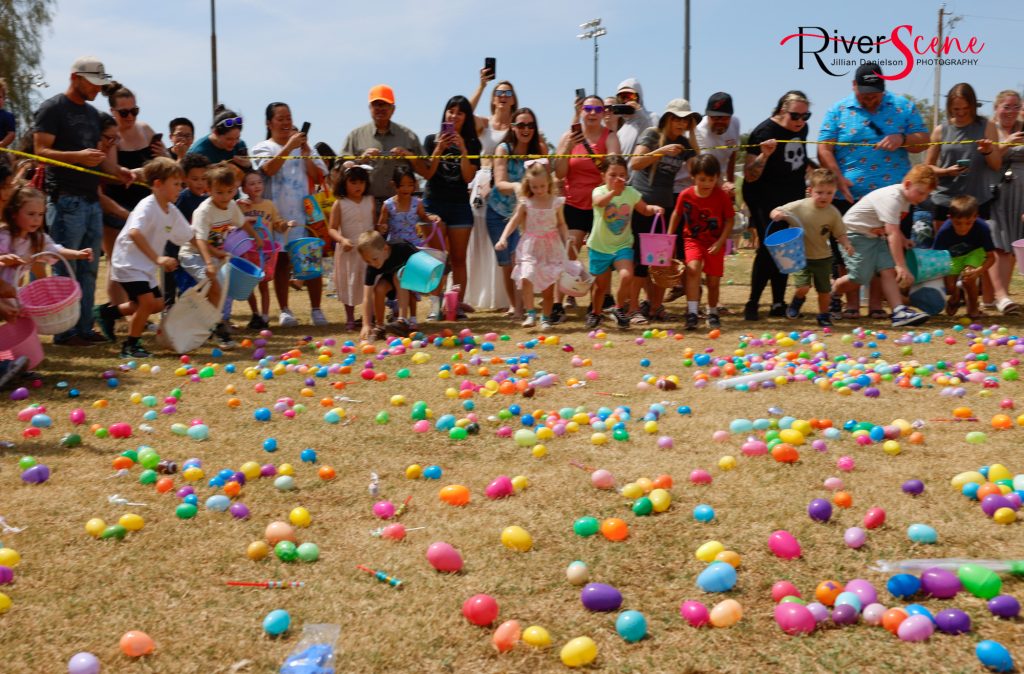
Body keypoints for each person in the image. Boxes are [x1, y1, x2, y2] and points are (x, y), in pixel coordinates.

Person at [33, 56, 132, 347]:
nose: (97, 89)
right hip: (65, 200)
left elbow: (96, 158)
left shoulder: (92, 114)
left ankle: (85, 328)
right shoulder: (52, 108)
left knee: (88, 268)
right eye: (93, 83)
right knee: (67, 267)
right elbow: (40, 151)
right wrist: (77, 157)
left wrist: (118, 171)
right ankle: (65, 332)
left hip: (91, 201)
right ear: (75, 78)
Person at [817, 62, 930, 318]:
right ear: (853, 86)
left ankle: (877, 306)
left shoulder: (903, 106)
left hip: (894, 199)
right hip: (849, 196)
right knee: (849, 255)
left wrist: (902, 139)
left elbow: (924, 140)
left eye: (875, 95)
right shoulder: (838, 110)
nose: (869, 99)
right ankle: (851, 305)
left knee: (886, 253)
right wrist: (837, 178)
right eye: (864, 94)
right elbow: (824, 148)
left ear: (884, 88)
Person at [924, 82, 1012, 315]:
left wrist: (987, 151)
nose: (961, 113)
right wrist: (946, 171)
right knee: (947, 256)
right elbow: (927, 167)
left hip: (977, 201)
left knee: (976, 256)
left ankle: (974, 303)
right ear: (949, 108)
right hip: (945, 201)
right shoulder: (941, 131)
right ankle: (953, 294)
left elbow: (996, 165)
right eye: (956, 110)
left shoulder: (986, 126)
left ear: (973, 105)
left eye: (965, 109)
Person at [94, 158, 195, 357]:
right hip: (128, 262)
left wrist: (211, 255)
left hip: (144, 266)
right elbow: (134, 232)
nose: (180, 188)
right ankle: (131, 346)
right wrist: (158, 259)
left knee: (157, 304)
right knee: (147, 303)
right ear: (158, 184)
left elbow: (189, 235)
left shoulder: (172, 210)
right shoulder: (147, 206)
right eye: (176, 184)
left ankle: (105, 313)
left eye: (181, 184)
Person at [251, 102, 328, 327]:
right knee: (282, 262)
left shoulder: (304, 147)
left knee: (311, 260)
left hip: (304, 215)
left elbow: (319, 175)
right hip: (276, 217)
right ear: (269, 123)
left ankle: (316, 309)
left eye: (289, 118)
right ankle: (285, 310)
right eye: (280, 118)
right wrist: (289, 147)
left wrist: (305, 154)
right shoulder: (262, 147)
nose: (286, 122)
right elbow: (267, 170)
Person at [831, 165, 936, 327]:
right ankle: (833, 292)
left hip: (875, 236)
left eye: (927, 195)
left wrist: (903, 239)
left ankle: (899, 312)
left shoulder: (907, 199)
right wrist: (901, 266)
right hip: (854, 235)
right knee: (860, 277)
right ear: (908, 184)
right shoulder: (893, 198)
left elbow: (892, 225)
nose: (923, 198)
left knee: (887, 270)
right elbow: (891, 233)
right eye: (921, 193)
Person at [741, 90, 812, 320]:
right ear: (782, 110)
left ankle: (778, 303)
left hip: (791, 196)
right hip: (763, 197)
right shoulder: (764, 132)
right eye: (795, 116)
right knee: (769, 248)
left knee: (786, 246)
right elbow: (750, 175)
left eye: (805, 116)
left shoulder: (802, 129)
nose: (800, 121)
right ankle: (752, 303)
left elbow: (800, 160)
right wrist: (764, 155)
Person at [628, 99, 700, 324]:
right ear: (668, 118)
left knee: (661, 261)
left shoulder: (684, 143)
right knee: (641, 261)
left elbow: (697, 170)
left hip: (666, 207)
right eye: (677, 118)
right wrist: (661, 151)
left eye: (686, 120)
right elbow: (634, 163)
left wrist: (692, 136)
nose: (681, 123)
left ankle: (655, 307)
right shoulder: (652, 134)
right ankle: (632, 309)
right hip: (643, 204)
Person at [554, 95, 622, 323]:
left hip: (600, 205)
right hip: (574, 204)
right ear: (580, 110)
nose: (592, 113)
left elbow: (613, 170)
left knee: (601, 254)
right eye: (588, 108)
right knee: (568, 251)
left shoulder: (610, 137)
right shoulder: (568, 136)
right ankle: (558, 305)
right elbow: (560, 173)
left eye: (597, 109)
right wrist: (568, 147)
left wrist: (596, 156)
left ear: (603, 113)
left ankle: (599, 304)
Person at [177, 163, 261, 347]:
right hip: (193, 254)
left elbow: (242, 222)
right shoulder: (204, 211)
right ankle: (216, 327)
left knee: (219, 290)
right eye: (219, 192)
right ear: (208, 190)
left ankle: (212, 326)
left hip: (213, 254)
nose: (225, 197)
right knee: (214, 287)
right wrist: (209, 262)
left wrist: (255, 237)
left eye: (230, 192)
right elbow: (199, 240)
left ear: (235, 189)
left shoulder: (231, 206)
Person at [101, 86, 167, 306]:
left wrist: (164, 156)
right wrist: (136, 173)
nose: (130, 116)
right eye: (124, 112)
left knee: (143, 261)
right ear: (112, 112)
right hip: (116, 206)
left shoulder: (146, 130)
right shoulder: (111, 136)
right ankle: (116, 311)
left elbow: (164, 163)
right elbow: (109, 174)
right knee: (117, 262)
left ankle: (137, 310)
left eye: (134, 111)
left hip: (145, 207)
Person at [585, 155, 664, 330]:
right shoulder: (599, 191)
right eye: (613, 175)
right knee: (600, 287)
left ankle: (619, 308)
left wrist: (654, 208)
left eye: (622, 175)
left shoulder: (631, 192)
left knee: (627, 275)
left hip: (623, 246)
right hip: (599, 247)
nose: (618, 179)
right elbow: (599, 203)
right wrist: (614, 192)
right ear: (603, 176)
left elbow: (644, 209)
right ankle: (595, 313)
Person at [421, 95, 481, 318]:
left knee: (458, 259)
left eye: (460, 112)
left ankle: (456, 306)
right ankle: (435, 306)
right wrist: (439, 148)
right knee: (436, 258)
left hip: (459, 205)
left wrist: (463, 148)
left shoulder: (473, 144)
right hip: (433, 203)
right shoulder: (430, 140)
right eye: (451, 111)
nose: (454, 116)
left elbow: (468, 177)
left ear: (466, 117)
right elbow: (427, 172)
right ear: (445, 113)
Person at [773, 169, 855, 327]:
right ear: (810, 191)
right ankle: (797, 301)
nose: (824, 197)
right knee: (803, 287)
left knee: (824, 291)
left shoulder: (833, 213)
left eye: (829, 193)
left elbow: (840, 233)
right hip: (799, 255)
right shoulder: (799, 206)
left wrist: (847, 244)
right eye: (820, 192)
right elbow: (776, 210)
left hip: (823, 257)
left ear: (835, 192)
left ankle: (823, 315)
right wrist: (777, 214)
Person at [466, 74, 519, 313]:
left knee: (503, 239)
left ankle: (506, 297)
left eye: (508, 93)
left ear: (513, 99)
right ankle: (477, 294)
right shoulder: (483, 124)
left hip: (506, 187)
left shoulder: (518, 126)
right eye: (499, 93)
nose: (503, 97)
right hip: (482, 186)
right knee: (480, 239)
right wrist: (481, 85)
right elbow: (464, 113)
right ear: (493, 99)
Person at [495, 161, 568, 330]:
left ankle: (546, 318)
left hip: (551, 247)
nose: (539, 190)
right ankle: (530, 313)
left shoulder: (556, 202)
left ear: (548, 183)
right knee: (526, 277)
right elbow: (514, 221)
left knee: (548, 287)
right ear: (528, 185)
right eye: (535, 187)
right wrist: (503, 238)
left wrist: (567, 238)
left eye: (542, 186)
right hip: (530, 246)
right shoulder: (526, 202)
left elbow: (561, 223)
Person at [490, 107, 548, 319]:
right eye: (521, 125)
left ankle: (522, 309)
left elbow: (546, 180)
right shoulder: (503, 149)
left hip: (526, 215)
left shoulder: (539, 150)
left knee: (519, 259)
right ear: (512, 127)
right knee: (506, 263)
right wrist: (516, 186)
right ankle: (515, 306)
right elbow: (499, 183)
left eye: (530, 125)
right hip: (498, 212)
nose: (526, 129)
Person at [669, 154, 734, 331]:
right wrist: (669, 237)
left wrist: (721, 242)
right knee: (692, 270)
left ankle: (712, 312)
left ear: (717, 177)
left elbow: (729, 220)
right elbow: (676, 214)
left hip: (714, 243)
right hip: (693, 240)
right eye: (702, 179)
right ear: (693, 177)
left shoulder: (721, 196)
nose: (707, 184)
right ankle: (692, 313)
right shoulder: (685, 195)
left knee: (713, 282)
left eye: (711, 180)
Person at [340, 85, 426, 204]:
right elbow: (338, 172)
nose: (380, 108)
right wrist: (360, 160)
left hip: (399, 207)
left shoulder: (409, 136)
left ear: (393, 109)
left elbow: (426, 173)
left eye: (384, 104)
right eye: (376, 104)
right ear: (370, 108)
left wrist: (410, 156)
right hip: (364, 205)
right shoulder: (355, 136)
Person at [934, 194, 1014, 318]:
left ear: (976, 217)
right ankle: (955, 295)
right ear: (950, 218)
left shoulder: (982, 228)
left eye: (968, 223)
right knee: (950, 286)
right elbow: (936, 256)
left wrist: (978, 272)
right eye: (958, 223)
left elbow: (991, 257)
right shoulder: (944, 231)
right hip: (953, 256)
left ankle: (973, 309)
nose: (963, 228)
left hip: (974, 253)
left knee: (969, 278)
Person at [0, 185, 93, 288]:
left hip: (10, 291)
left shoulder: (37, 238)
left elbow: (55, 251)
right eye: (31, 214)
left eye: (40, 214)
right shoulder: (4, 237)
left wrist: (78, 254)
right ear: (14, 213)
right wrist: (3, 259)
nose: (37, 219)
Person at [238, 170, 293, 329]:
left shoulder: (269, 205)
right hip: (247, 251)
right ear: (244, 188)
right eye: (252, 183)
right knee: (248, 284)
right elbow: (234, 221)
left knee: (264, 284)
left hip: (265, 251)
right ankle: (255, 314)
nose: (257, 186)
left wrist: (286, 225)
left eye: (259, 182)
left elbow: (278, 224)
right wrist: (239, 206)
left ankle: (265, 317)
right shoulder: (240, 206)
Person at [987, 90, 1024, 306]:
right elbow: (987, 159)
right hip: (997, 192)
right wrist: (1007, 142)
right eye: (1006, 106)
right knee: (997, 242)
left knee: (1012, 245)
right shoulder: (990, 129)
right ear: (996, 108)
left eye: (1016, 107)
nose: (1011, 111)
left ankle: (999, 296)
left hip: (1021, 194)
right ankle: (1000, 295)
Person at [329, 165, 375, 330]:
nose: (358, 186)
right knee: (350, 283)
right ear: (344, 183)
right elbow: (332, 228)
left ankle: (369, 316)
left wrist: (381, 229)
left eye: (361, 182)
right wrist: (342, 240)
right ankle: (350, 317)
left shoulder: (370, 200)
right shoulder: (340, 204)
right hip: (350, 250)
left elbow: (375, 223)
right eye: (353, 182)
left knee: (370, 282)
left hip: (369, 249)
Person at [164, 152, 210, 305]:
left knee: (190, 288)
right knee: (170, 287)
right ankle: (168, 312)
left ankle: (188, 314)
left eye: (204, 178)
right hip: (174, 251)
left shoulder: (207, 200)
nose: (200, 183)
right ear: (185, 178)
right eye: (195, 179)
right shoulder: (182, 198)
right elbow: (171, 224)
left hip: (193, 253)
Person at [357, 230, 419, 341]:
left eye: (374, 259)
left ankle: (402, 322)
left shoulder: (402, 247)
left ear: (385, 249)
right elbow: (367, 297)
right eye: (368, 261)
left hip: (408, 280)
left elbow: (421, 260)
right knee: (379, 288)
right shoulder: (372, 267)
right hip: (391, 281)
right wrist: (366, 324)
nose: (373, 264)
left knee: (398, 276)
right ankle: (380, 327)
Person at [378, 165, 436, 248]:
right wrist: (382, 228)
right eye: (402, 185)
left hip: (414, 245)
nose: (406, 188)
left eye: (410, 185)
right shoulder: (388, 205)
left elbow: (423, 217)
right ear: (394, 184)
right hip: (395, 246)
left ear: (414, 184)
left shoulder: (417, 203)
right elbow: (380, 225)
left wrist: (432, 218)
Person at [695, 92, 740, 198]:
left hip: (719, 179)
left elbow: (732, 154)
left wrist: (730, 182)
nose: (719, 122)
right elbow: (705, 168)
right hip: (702, 180)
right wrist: (723, 186)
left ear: (731, 117)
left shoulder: (735, 123)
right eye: (715, 118)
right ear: (707, 116)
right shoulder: (699, 130)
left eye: (724, 118)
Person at [614, 79, 656, 159]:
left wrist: (639, 111)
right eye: (622, 97)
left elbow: (652, 137)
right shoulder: (621, 128)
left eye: (630, 96)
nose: (626, 100)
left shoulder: (652, 117)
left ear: (639, 97)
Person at [0, 78, 15, 148]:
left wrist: (2, 144)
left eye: (0, 97)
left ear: (4, 99)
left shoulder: (7, 116)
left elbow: (11, 134)